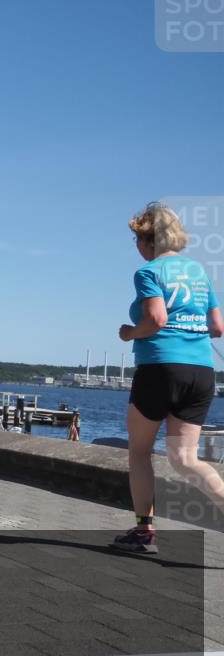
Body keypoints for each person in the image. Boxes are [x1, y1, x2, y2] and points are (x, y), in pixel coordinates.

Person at [112, 202, 224, 554]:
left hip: (160, 369)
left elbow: (156, 320)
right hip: (201, 373)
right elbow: (218, 327)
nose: (136, 245)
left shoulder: (150, 272)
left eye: (136, 238)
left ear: (148, 239)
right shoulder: (199, 273)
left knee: (140, 451)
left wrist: (130, 333)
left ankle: (144, 533)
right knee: (186, 459)